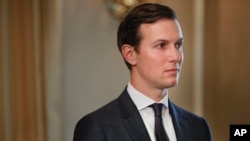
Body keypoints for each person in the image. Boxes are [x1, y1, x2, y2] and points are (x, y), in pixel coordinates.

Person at [73, 3, 212, 141]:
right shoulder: (97, 127)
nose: (176, 56)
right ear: (130, 54)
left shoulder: (198, 127)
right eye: (161, 45)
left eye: (178, 45)